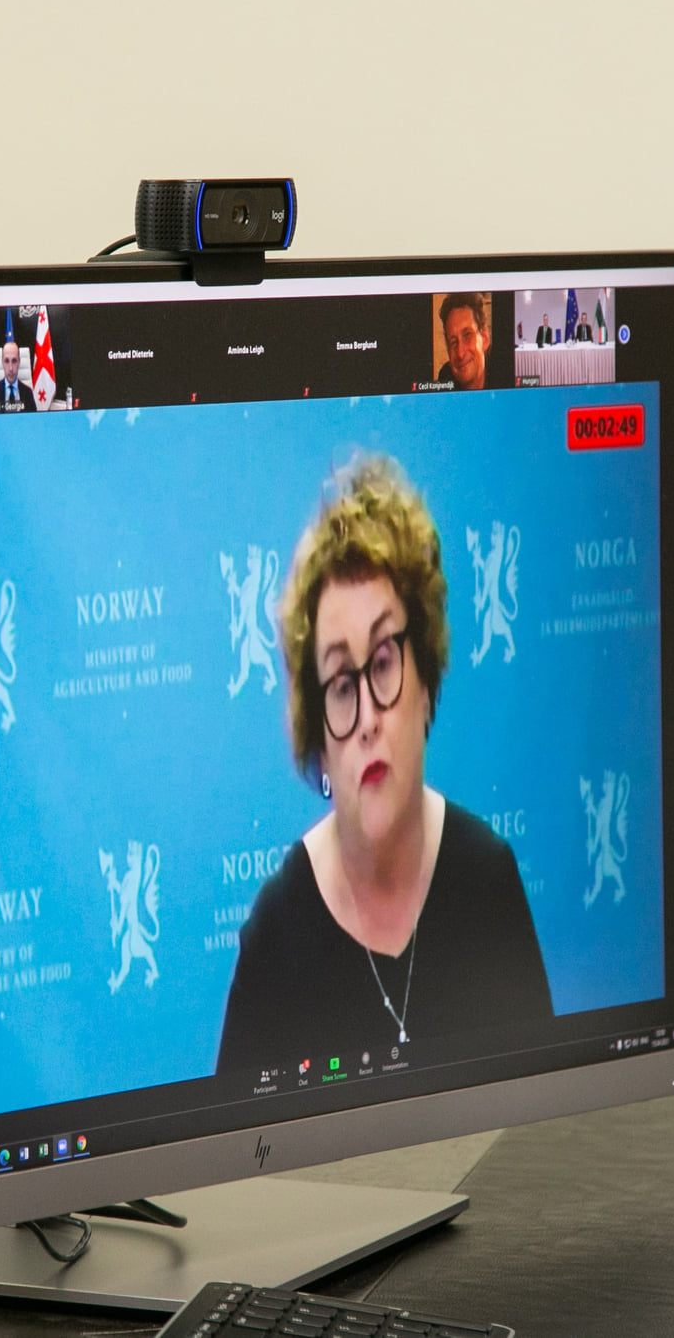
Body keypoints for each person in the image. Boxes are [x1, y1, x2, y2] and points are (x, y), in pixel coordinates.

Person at [216, 457, 552, 1074]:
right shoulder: (275, 937)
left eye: (383, 663)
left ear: (425, 681)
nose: (368, 716)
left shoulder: (489, 882)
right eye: (342, 685)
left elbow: (540, 1116)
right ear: (318, 738)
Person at [434, 293, 491, 389]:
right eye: (453, 342)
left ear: (484, 337)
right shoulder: (446, 377)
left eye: (467, 335)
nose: (460, 354)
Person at [0, 340, 36, 410]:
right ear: (2, 363)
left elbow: (34, 416)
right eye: (6, 361)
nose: (11, 368)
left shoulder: (28, 393)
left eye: (14, 361)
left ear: (19, 362)